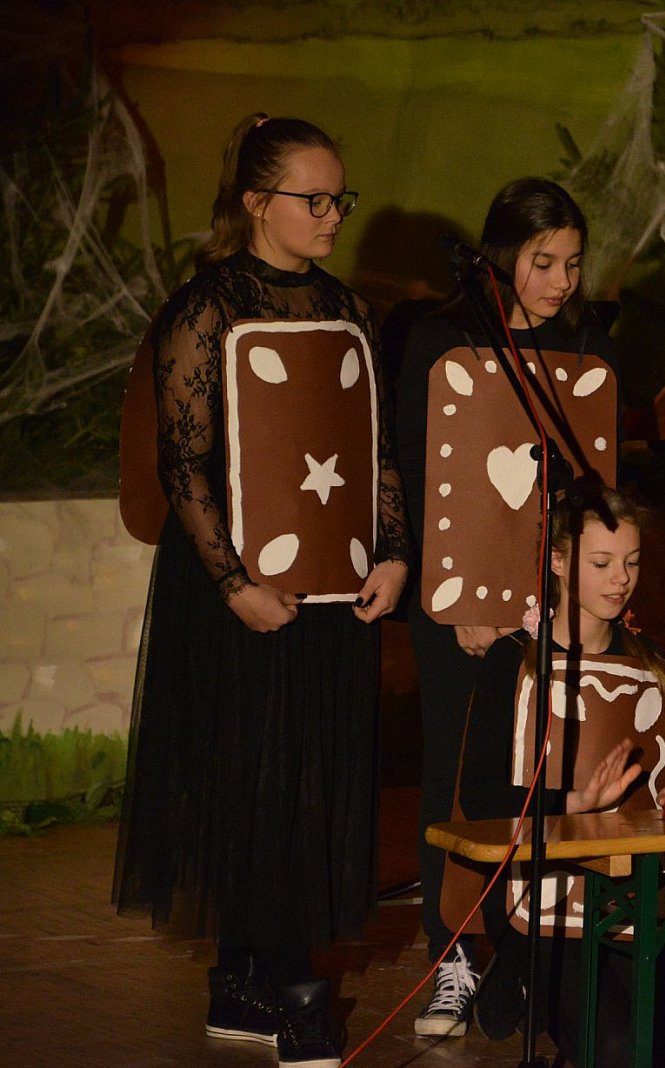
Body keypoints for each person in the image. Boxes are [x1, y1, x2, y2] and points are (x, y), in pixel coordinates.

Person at [113, 114, 409, 1068]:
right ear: (256, 202)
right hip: (233, 593)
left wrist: (393, 553)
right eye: (313, 199)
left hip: (329, 591)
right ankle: (296, 993)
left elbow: (376, 447)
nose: (332, 215)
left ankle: (240, 982)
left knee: (308, 776)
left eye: (339, 199)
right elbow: (184, 462)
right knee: (255, 780)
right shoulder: (207, 308)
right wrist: (236, 583)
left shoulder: (349, 309)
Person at [393, 177, 614, 1036]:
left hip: (553, 603)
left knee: (551, 770)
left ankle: (532, 956)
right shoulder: (441, 342)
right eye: (542, 261)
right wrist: (457, 601)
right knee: (460, 777)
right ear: (499, 257)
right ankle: (451, 954)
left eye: (573, 263)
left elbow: (595, 479)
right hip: (460, 605)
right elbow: (421, 477)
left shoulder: (584, 350)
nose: (561, 281)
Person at [455, 488, 665, 1067]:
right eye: (601, 563)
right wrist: (576, 800)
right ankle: (518, 974)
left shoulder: (650, 663)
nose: (621, 579)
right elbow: (480, 797)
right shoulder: (514, 660)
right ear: (558, 561)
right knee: (613, 1047)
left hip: (629, 894)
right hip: (540, 896)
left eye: (632, 562)